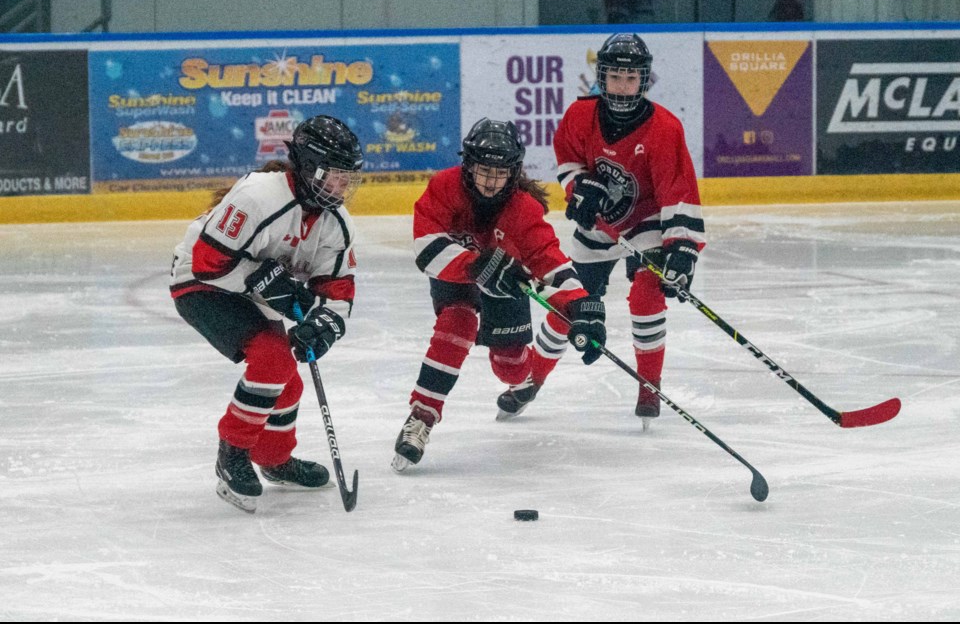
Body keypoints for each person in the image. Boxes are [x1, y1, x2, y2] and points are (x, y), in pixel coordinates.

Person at [169, 114, 363, 512]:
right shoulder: (259, 196)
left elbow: (337, 288)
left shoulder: (337, 225)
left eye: (348, 178)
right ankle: (232, 455)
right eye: (335, 175)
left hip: (249, 289)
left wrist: (326, 323)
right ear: (309, 168)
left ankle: (273, 458)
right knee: (272, 361)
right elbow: (207, 261)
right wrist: (263, 281)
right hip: (201, 283)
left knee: (286, 379)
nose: (343, 186)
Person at [391, 117, 607, 471]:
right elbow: (426, 247)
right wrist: (477, 266)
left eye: (500, 173)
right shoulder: (444, 186)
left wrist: (581, 306)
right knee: (455, 326)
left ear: (513, 172)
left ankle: (528, 375)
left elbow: (548, 260)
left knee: (509, 368)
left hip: (507, 282)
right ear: (468, 165)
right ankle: (422, 417)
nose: (491, 181)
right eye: (483, 170)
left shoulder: (522, 208)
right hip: (457, 277)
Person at [533, 32, 705, 429]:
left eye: (631, 78)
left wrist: (681, 246)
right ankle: (533, 376)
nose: (623, 86)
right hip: (598, 228)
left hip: (645, 224)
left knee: (647, 295)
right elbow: (568, 160)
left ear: (643, 80)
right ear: (602, 78)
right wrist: (579, 190)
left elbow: (677, 190)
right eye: (615, 77)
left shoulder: (664, 128)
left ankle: (649, 383)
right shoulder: (580, 115)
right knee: (569, 303)